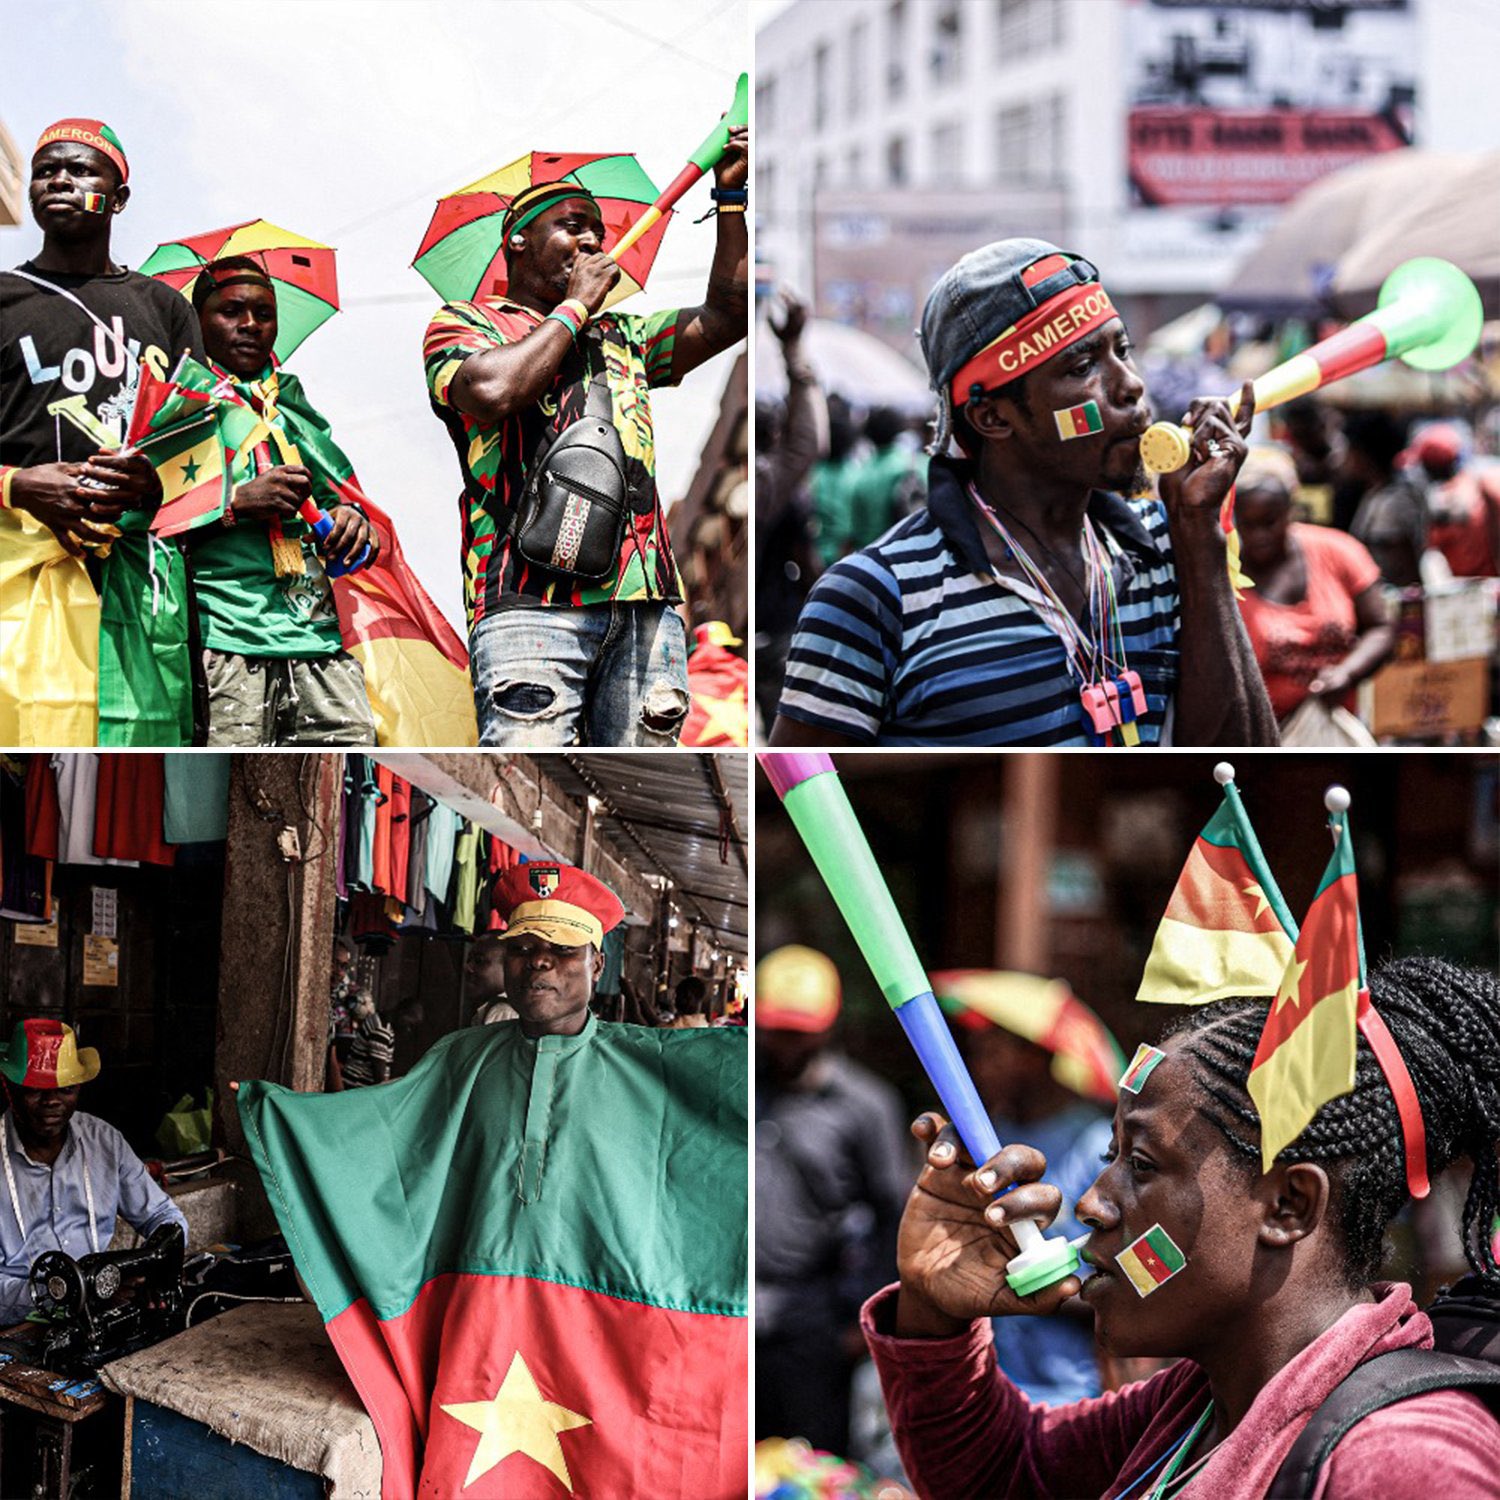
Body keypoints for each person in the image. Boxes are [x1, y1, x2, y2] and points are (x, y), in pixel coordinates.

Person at [863, 957, 1500, 1497]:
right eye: (1111, 1154)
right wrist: (933, 1309)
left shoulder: (1406, 1463)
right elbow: (1002, 1476)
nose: (1090, 1204)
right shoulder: (1195, 1404)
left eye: (1139, 1164)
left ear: (1288, 1206)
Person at [235, 862, 747, 1495]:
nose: (539, 964)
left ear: (597, 962)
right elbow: (386, 1134)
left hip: (598, 1330)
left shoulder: (654, 1063)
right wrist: (285, 1120)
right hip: (482, 1324)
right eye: (525, 948)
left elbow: (740, 1091)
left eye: (562, 951)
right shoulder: (461, 1056)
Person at [771, 238, 1277, 747]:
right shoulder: (875, 599)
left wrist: (1200, 537)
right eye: (1082, 368)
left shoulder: (1167, 547)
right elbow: (805, 794)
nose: (1131, 386)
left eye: (1122, 351)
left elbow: (1242, 769)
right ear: (992, 417)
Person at [422, 129, 749, 747]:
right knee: (530, 778)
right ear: (518, 241)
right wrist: (574, 309)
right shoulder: (464, 323)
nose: (594, 239)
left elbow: (727, 315)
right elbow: (492, 392)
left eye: (597, 227)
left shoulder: (625, 335)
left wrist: (730, 200)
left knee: (643, 784)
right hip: (530, 606)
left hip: (646, 610)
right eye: (573, 225)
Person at [1, 118, 204, 747]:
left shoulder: (165, 308)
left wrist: (151, 479)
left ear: (118, 197)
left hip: (139, 576)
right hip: (19, 567)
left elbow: (205, 438)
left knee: (135, 745)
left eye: (81, 169)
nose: (58, 179)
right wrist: (18, 485)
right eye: (44, 170)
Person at [184, 256, 377, 745]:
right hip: (221, 637)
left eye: (264, 313)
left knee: (350, 760)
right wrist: (236, 502)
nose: (250, 324)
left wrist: (352, 520)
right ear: (196, 318)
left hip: (319, 640)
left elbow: (349, 502)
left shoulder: (291, 402)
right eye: (231, 310)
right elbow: (141, 519)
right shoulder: (176, 401)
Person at [755, 945, 912, 1457]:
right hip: (733, 1309)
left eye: (800, 1032)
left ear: (828, 1025)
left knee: (810, 1464)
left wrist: (862, 1320)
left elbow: (894, 1213)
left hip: (814, 1318)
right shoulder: (740, 1084)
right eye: (777, 1029)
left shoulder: (865, 1106)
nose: (785, 1044)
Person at [0, 1019, 188, 1325]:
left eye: (66, 1089)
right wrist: (73, 1293)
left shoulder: (104, 1142)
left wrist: (153, 1270)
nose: (52, 1102)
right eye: (36, 1091)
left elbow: (164, 1218)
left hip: (99, 1308)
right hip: (17, 1325)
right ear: (10, 1088)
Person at [1234, 446, 1395, 727]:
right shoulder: (1224, 571)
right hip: (1263, 735)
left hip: (1334, 726)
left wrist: (1346, 673)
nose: (1259, 535)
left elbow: (1381, 627)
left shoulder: (1338, 550)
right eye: (1248, 524)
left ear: (1291, 511)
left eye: (1270, 522)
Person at [1344, 410, 1425, 587]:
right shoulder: (1374, 494)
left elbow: (1404, 566)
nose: (1344, 458)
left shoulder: (1394, 501)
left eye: (1349, 450)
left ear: (1363, 455)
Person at [1412, 424, 1500, 579]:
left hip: (1469, 589)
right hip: (1489, 583)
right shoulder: (1479, 485)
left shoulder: (1439, 500)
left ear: (1428, 466)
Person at [340, 990, 395, 1088]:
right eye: (363, 1003)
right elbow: (380, 1077)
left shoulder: (372, 1025)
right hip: (354, 1086)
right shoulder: (379, 1028)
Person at [462, 931, 519, 1025]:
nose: (467, 967)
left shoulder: (502, 1012)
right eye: (468, 960)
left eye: (479, 961)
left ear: (508, 968)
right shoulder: (490, 1008)